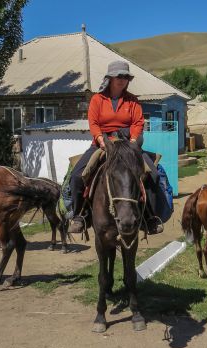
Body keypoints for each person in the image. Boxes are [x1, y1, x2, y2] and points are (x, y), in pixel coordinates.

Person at [68, 60, 162, 235]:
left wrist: (134, 141)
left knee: (153, 175)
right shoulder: (97, 99)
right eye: (119, 76)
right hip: (103, 144)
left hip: (128, 145)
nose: (122, 79)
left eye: (126, 76)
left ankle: (150, 217)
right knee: (77, 176)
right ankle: (79, 215)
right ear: (110, 78)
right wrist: (100, 139)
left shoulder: (132, 100)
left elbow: (137, 123)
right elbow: (93, 122)